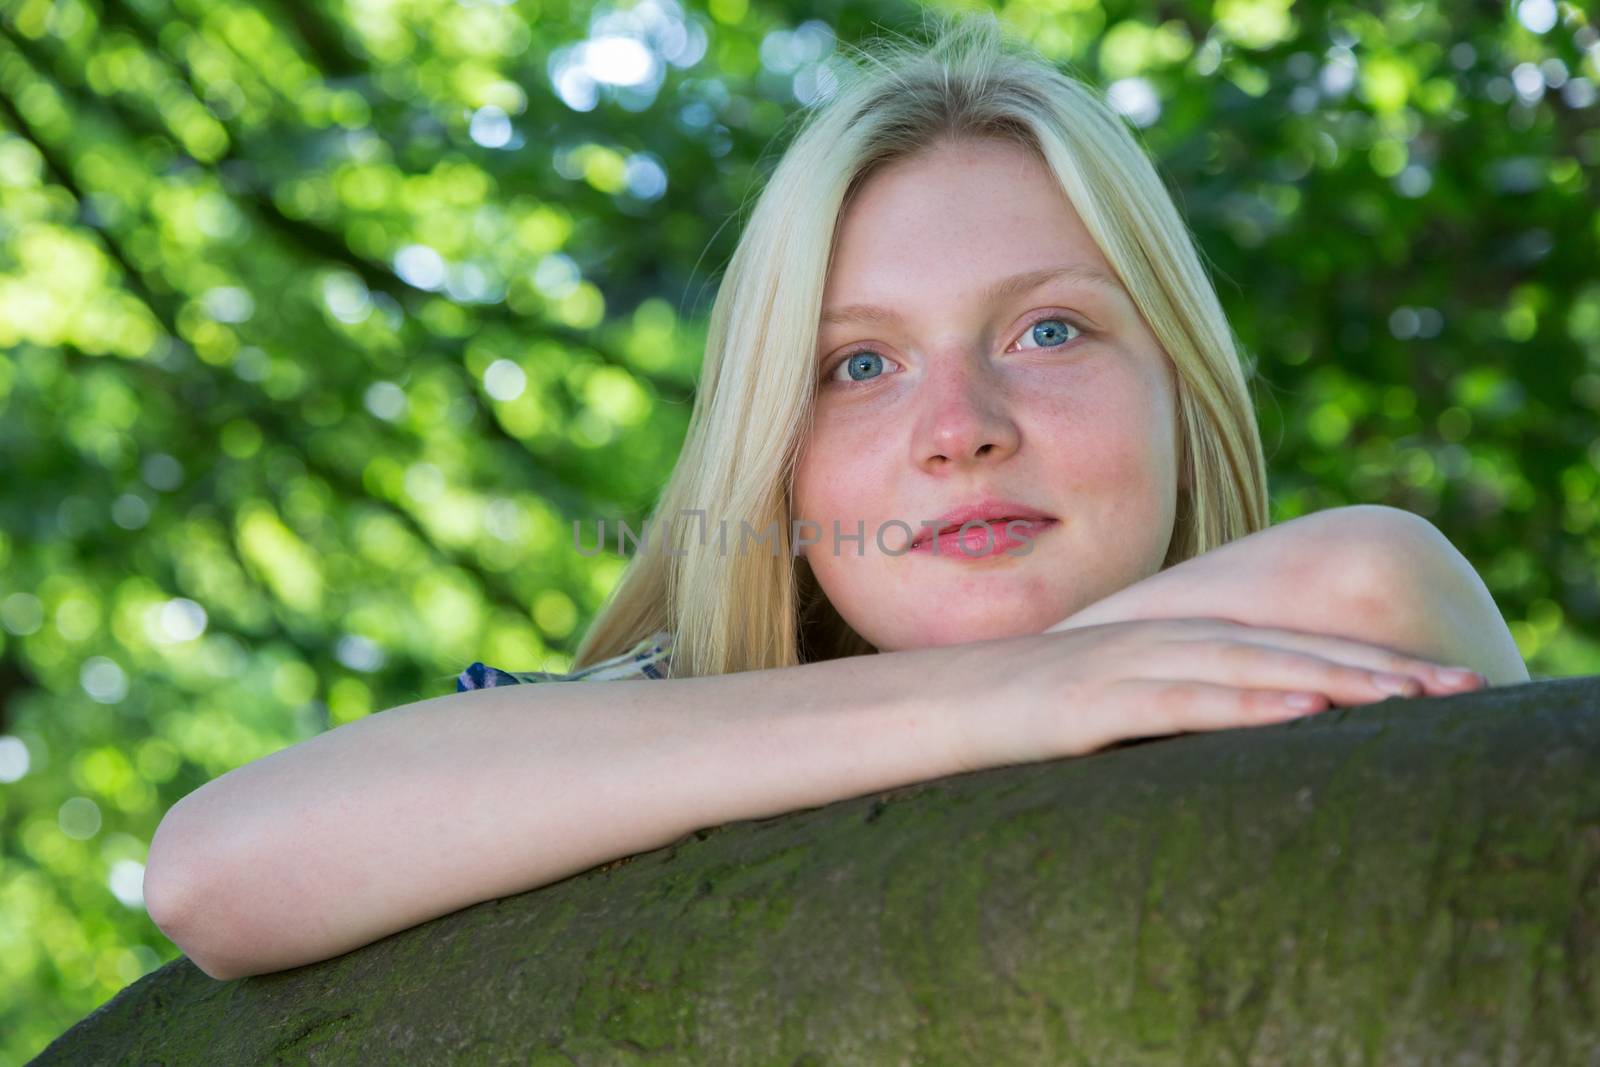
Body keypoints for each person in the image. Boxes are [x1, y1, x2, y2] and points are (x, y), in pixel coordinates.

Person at [142, 12, 1527, 982]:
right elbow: (218, 868)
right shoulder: (648, 722)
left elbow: (1371, 581)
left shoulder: (1333, 618)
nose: (958, 432)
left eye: (1049, 330)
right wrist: (996, 703)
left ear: (1184, 390)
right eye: (859, 363)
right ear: (778, 456)